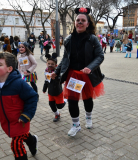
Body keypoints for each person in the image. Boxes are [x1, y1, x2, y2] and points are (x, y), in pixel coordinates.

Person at [50, 7, 105, 137]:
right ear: (75, 23)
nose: (79, 22)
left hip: (87, 75)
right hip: (73, 76)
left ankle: (88, 117)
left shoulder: (92, 39)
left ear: (88, 23)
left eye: (82, 20)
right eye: (78, 20)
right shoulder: (69, 39)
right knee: (72, 100)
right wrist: (57, 72)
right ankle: (76, 125)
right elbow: (65, 58)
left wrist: (90, 67)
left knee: (87, 99)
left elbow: (100, 56)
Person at [43, 53, 66, 122]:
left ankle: (66, 99)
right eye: (49, 63)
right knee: (51, 104)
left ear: (56, 65)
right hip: (50, 92)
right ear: (46, 64)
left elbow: (60, 80)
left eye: (52, 64)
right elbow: (46, 81)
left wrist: (54, 78)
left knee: (60, 106)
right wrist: (44, 88)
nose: (50, 65)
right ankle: (57, 114)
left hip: (58, 92)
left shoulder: (58, 72)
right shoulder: (46, 71)